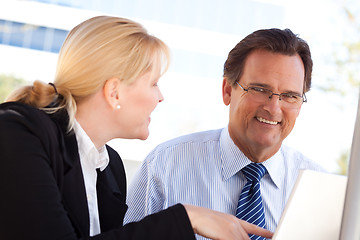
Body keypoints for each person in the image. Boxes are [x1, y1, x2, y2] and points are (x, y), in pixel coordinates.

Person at [0, 16, 273, 240]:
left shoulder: (109, 169)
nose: (160, 96)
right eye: (153, 82)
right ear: (114, 92)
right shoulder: (19, 134)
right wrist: (186, 218)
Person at [124, 28, 326, 239]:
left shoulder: (320, 190)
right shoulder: (164, 165)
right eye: (259, 90)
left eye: (290, 96)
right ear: (227, 91)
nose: (274, 108)